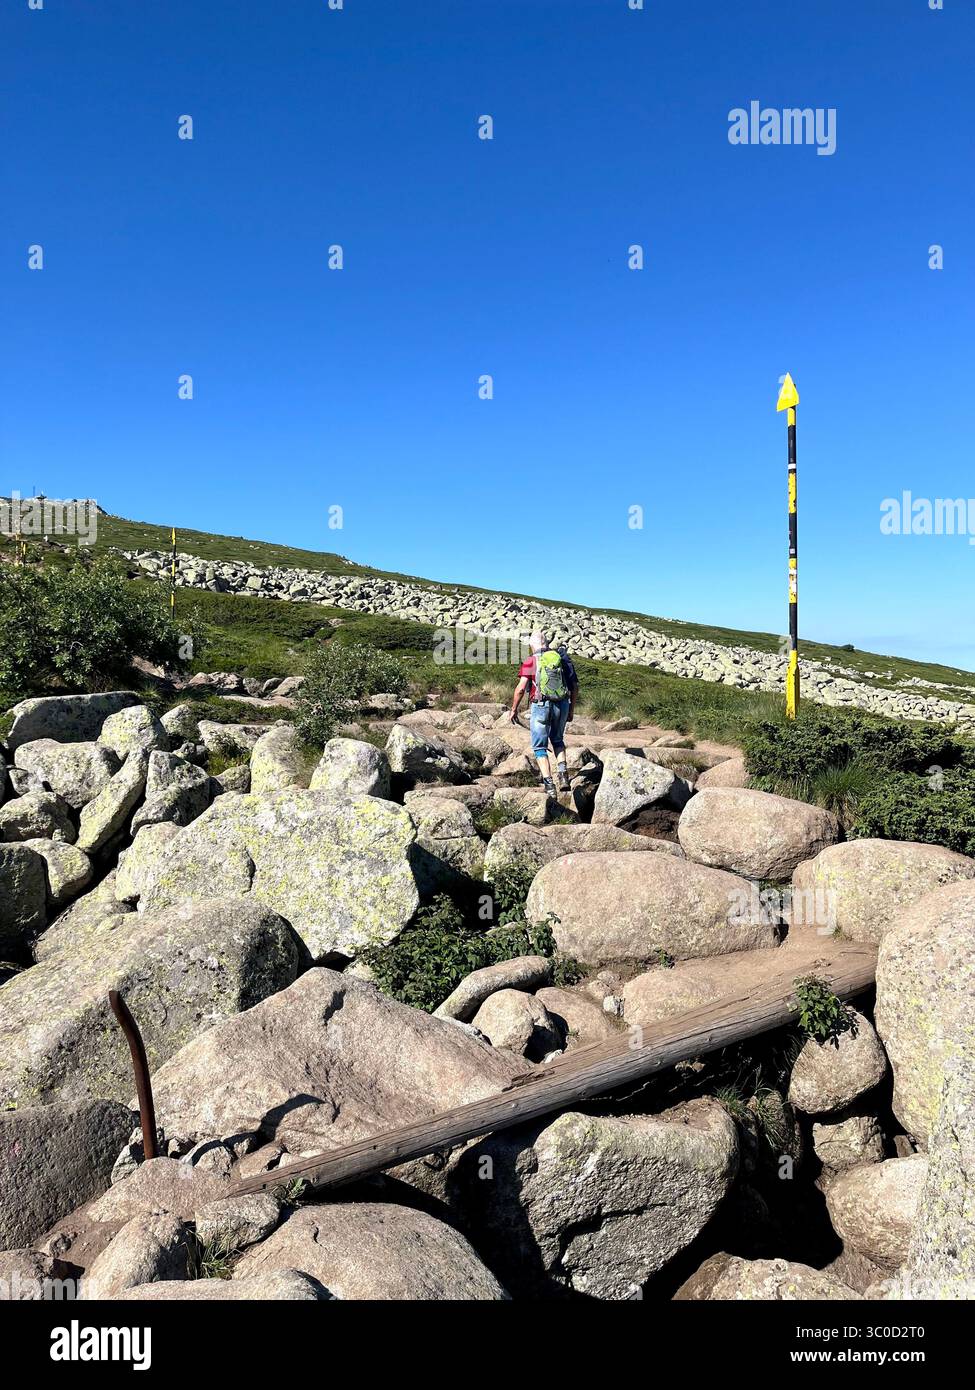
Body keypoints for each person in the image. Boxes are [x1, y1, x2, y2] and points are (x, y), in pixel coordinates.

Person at [509, 630, 578, 794]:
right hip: (562, 705)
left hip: (540, 706)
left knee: (540, 747)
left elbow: (520, 689)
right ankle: (563, 775)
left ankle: (549, 786)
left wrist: (513, 710)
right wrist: (571, 710)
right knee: (558, 740)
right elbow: (574, 687)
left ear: (532, 645)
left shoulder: (531, 660)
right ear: (546, 644)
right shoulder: (562, 658)